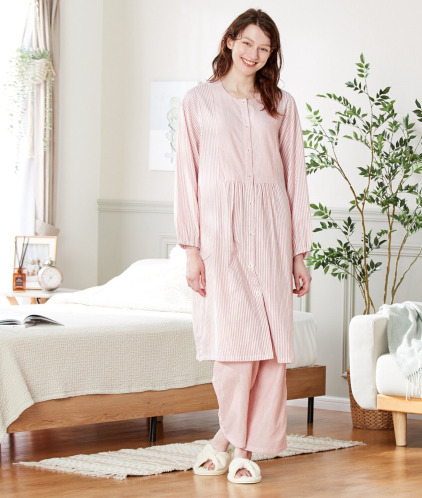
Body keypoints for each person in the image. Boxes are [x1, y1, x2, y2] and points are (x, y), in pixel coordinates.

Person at [174, 8, 311, 485]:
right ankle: (226, 440)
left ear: (272, 54)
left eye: (265, 48)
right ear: (230, 40)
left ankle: (241, 449)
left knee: (269, 348)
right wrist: (191, 249)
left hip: (271, 233)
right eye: (248, 43)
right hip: (220, 236)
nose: (254, 54)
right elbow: (186, 176)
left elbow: (296, 179)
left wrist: (298, 254)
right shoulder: (198, 101)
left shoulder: (282, 105)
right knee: (233, 347)